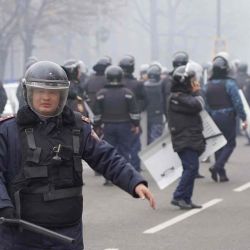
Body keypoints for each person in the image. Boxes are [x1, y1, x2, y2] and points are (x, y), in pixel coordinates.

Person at [0, 61, 156, 250]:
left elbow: (105, 157)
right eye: (40, 92)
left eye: (53, 93)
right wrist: (3, 207)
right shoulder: (8, 131)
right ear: (29, 93)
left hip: (67, 232)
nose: (46, 98)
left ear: (63, 96)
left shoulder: (77, 127)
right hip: (20, 232)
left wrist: (135, 182)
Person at [203, 55, 247, 182]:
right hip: (227, 116)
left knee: (218, 144)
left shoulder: (207, 85)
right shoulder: (230, 84)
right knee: (230, 143)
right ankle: (217, 166)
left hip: (213, 117)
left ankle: (221, 174)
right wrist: (243, 116)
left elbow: (205, 104)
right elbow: (237, 102)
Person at [93, 65, 140, 184]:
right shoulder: (128, 93)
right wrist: (136, 124)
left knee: (108, 152)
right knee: (124, 152)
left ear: (107, 77)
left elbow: (97, 114)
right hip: (125, 126)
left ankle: (108, 178)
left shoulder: (101, 94)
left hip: (107, 127)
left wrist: (97, 126)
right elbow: (134, 112)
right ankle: (123, 177)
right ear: (121, 77)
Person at [168, 63, 205, 210]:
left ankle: (186, 199)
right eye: (191, 80)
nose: (194, 83)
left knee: (190, 167)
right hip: (184, 137)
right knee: (191, 167)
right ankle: (178, 196)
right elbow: (198, 105)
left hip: (190, 137)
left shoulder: (183, 96)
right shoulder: (177, 98)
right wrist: (196, 93)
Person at [119, 55, 145, 172]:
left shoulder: (115, 84)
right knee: (134, 144)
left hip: (118, 119)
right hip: (133, 119)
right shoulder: (137, 84)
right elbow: (145, 100)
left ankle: (121, 167)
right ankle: (135, 167)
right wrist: (137, 110)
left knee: (119, 145)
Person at [143, 64, 166, 144]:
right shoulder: (162, 85)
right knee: (156, 142)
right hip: (158, 117)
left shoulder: (143, 86)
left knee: (145, 141)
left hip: (145, 116)